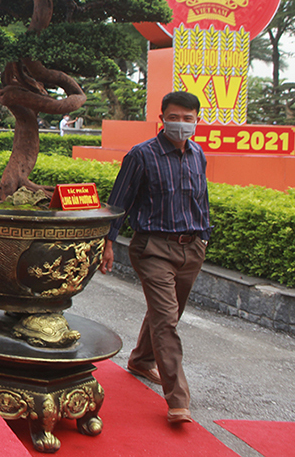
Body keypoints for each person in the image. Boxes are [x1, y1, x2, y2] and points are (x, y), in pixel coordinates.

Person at [100, 91, 209, 425]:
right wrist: (108, 242)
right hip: (152, 248)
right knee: (167, 320)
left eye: (187, 118)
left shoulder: (197, 155)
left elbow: (200, 198)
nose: (181, 124)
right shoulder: (141, 156)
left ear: (197, 121)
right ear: (162, 119)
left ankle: (141, 359)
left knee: (166, 313)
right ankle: (178, 400)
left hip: (191, 247)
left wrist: (203, 237)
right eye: (174, 117)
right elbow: (120, 201)